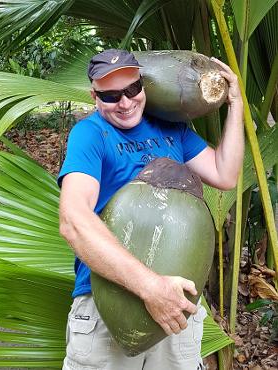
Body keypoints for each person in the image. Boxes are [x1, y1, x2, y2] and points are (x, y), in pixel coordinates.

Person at [58, 48, 244, 370]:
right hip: (109, 301)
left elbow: (225, 174)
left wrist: (236, 105)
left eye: (132, 89)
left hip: (176, 305)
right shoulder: (90, 135)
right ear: (95, 96)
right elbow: (73, 220)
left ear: (144, 85)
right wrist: (150, 287)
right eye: (112, 95)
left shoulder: (171, 129)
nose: (126, 102)